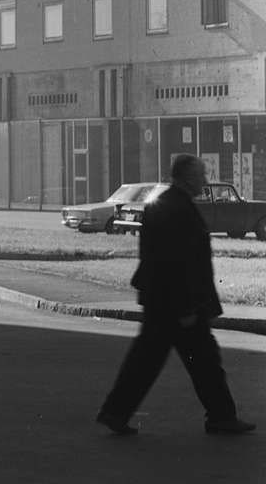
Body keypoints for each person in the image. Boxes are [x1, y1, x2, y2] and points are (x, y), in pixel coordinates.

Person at [97, 154, 255, 437]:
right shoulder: (177, 208)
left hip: (162, 300)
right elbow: (176, 262)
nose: (204, 180)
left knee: (147, 362)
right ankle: (221, 417)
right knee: (204, 362)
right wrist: (186, 308)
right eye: (200, 175)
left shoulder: (167, 203)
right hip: (179, 304)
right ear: (187, 177)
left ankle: (115, 412)